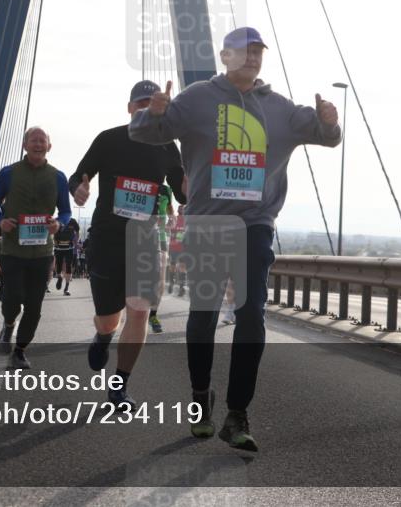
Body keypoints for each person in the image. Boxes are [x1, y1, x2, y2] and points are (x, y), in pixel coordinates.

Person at [129, 26, 341, 451]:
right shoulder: (196, 98)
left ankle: (237, 413)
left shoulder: (279, 107)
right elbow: (145, 133)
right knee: (204, 314)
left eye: (258, 51)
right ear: (225, 57)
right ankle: (199, 398)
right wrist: (152, 113)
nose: (253, 58)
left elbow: (326, 137)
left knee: (251, 316)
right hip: (207, 224)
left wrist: (330, 122)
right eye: (244, 52)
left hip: (255, 224)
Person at [69, 81, 185, 409]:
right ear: (130, 107)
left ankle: (119, 386)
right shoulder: (109, 138)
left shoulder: (167, 146)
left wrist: (195, 178)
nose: (147, 107)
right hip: (106, 238)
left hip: (145, 240)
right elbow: (79, 174)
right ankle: (104, 336)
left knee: (139, 312)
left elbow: (182, 193)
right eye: (141, 103)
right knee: (109, 318)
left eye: (153, 103)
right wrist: (79, 188)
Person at [0, 127, 72, 369]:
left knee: (34, 305)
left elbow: (65, 210)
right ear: (24, 145)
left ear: (49, 146)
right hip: (13, 250)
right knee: (12, 299)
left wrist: (59, 223)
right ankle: (9, 324)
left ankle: (20, 350)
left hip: (42, 252)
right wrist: (0, 220)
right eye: (33, 140)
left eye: (42, 141)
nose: (37, 144)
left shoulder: (58, 177)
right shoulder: (8, 173)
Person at [148, 182, 174, 334]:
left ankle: (153, 315)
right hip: (139, 235)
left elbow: (171, 208)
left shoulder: (166, 189)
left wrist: (172, 218)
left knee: (160, 278)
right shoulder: (139, 181)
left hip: (161, 237)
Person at [52, 217, 77, 295]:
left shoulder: (73, 221)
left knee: (68, 266)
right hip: (58, 247)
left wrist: (75, 242)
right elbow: (52, 232)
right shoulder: (56, 220)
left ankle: (66, 288)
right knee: (58, 265)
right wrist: (54, 241)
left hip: (69, 247)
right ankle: (59, 276)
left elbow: (77, 232)